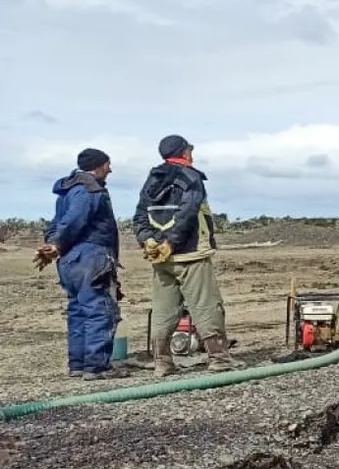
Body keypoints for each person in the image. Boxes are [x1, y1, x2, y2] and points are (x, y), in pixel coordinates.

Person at [133, 135, 243, 375]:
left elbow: (140, 214)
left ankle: (162, 363)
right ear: (184, 152)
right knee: (206, 306)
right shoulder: (191, 177)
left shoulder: (152, 179)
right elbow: (187, 213)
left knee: (163, 309)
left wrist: (148, 240)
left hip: (160, 259)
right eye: (190, 149)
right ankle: (219, 359)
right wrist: (172, 243)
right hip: (191, 254)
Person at [34, 148, 128, 380]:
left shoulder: (67, 191)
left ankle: (78, 364)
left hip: (69, 261)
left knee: (78, 310)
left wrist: (53, 245)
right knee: (99, 311)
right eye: (108, 165)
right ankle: (97, 367)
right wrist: (56, 244)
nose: (110, 169)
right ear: (98, 166)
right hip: (91, 256)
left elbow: (58, 222)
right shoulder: (89, 190)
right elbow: (75, 220)